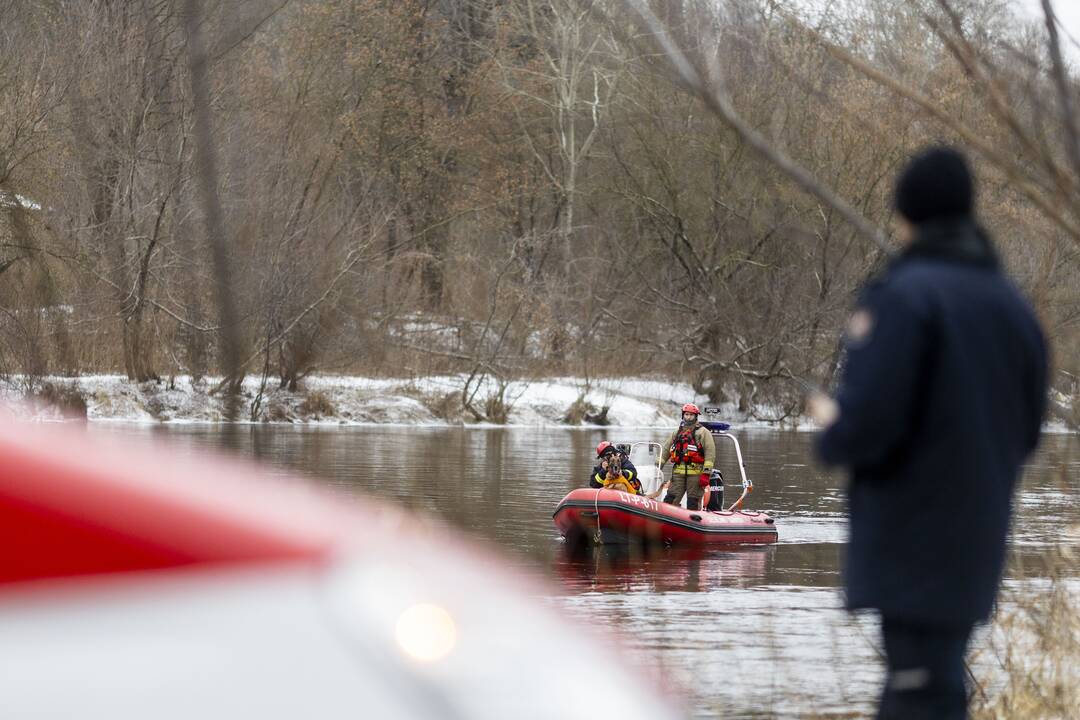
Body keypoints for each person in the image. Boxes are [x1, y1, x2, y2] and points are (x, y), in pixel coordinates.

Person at [809, 146, 1048, 720]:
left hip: (910, 542)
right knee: (936, 685)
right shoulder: (1014, 309)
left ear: (906, 213)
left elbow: (866, 424)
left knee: (917, 690)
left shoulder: (904, 296)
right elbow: (1029, 431)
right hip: (977, 541)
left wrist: (831, 428)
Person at [659, 403, 716, 510]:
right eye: (686, 414)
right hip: (678, 474)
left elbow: (710, 454)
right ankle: (667, 521)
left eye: (691, 415)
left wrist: (706, 474)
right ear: (683, 415)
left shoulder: (703, 433)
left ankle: (694, 522)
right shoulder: (677, 432)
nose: (688, 417)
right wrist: (658, 466)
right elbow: (666, 450)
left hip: (696, 475)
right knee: (670, 500)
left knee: (692, 502)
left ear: (696, 416)